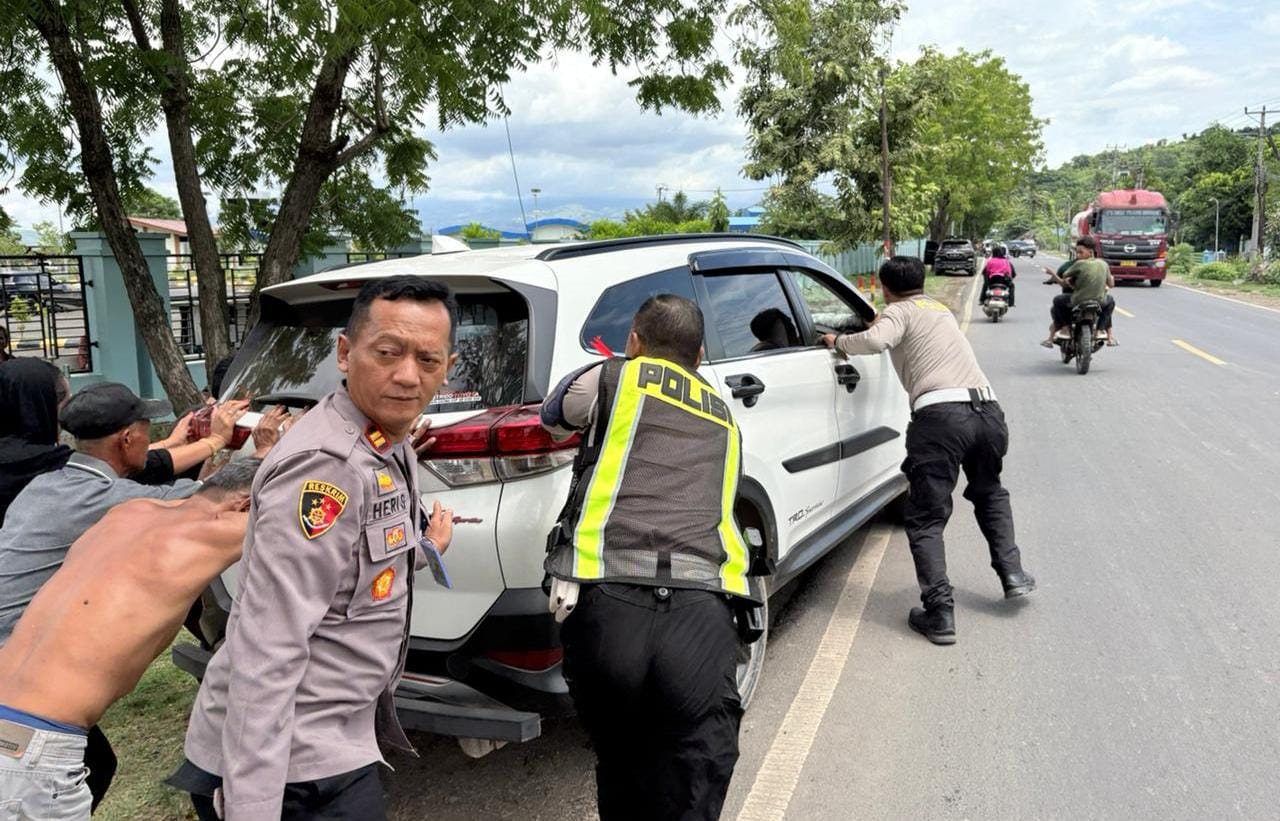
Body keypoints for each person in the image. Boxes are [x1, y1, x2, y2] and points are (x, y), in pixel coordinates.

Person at [174, 276, 458, 821]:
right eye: (388, 352)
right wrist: (253, 806)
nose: (407, 375)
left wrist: (420, 549)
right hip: (289, 766)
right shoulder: (324, 469)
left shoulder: (386, 443)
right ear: (345, 353)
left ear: (449, 367)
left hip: (330, 736)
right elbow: (267, 646)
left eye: (427, 359)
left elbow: (357, 566)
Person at [541, 294, 759, 821]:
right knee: (695, 767)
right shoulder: (724, 414)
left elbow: (554, 415)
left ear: (635, 341)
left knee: (621, 759)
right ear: (699, 356)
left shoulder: (613, 377)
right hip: (704, 608)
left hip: (608, 600)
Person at [0, 460, 260, 820]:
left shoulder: (128, 513)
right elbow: (301, 514)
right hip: (35, 751)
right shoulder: (216, 532)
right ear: (243, 505)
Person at [821, 257, 1035, 645]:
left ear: (885, 288)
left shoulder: (898, 311)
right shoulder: (939, 309)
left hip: (941, 419)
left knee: (926, 518)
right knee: (989, 492)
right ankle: (1012, 573)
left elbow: (876, 340)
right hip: (987, 412)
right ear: (921, 281)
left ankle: (939, 613)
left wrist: (839, 342)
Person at [0, 360, 257, 524]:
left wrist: (171, 443)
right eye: (65, 402)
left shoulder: (45, 482)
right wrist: (221, 442)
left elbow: (108, 459)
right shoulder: (99, 493)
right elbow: (204, 495)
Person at [1041, 236, 1117, 348]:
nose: (1078, 255)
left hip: (1078, 300)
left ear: (1090, 252)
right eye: (1077, 252)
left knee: (1057, 300)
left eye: (1081, 252)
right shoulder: (1104, 264)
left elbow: (1064, 277)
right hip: (1099, 300)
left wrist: (1053, 274)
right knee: (1110, 301)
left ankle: (1065, 329)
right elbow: (1111, 284)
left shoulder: (1077, 264)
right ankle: (1100, 330)